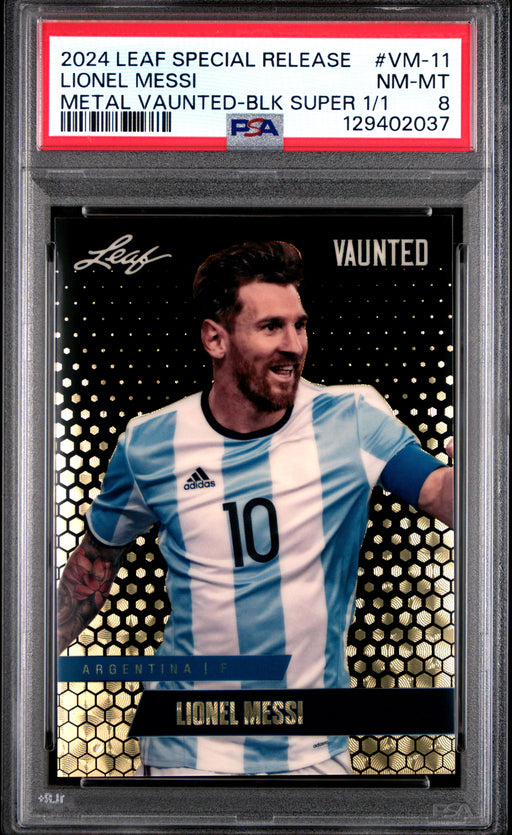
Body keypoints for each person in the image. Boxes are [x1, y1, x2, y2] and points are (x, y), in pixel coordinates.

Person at [57, 240, 454, 776]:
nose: (293, 345)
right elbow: (93, 565)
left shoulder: (353, 418)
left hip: (314, 748)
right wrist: (30, 664)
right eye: (271, 327)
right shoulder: (149, 444)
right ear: (215, 338)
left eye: (299, 326)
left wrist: (483, 478)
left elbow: (438, 491)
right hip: (186, 750)